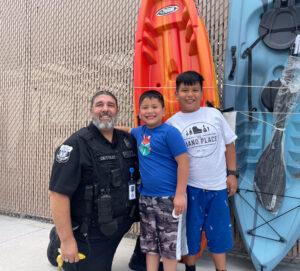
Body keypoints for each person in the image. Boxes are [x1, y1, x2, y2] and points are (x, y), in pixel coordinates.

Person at [48, 90, 140, 271]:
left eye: (110, 105)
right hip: (93, 231)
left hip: (124, 221)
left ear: (117, 111)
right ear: (91, 111)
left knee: (159, 213)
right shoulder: (76, 144)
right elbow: (57, 194)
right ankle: (59, 240)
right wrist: (67, 241)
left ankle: (141, 260)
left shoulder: (128, 140)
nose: (105, 109)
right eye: (100, 105)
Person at [166, 71, 238, 271]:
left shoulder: (213, 114)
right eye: (185, 90)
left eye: (195, 90)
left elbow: (230, 145)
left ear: (202, 93)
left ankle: (221, 269)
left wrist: (232, 173)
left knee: (219, 234)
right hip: (190, 189)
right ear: (176, 94)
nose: (190, 94)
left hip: (218, 187)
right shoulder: (171, 124)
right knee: (191, 234)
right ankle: (190, 267)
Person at [118, 90, 189, 271]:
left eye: (154, 107)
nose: (150, 111)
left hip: (169, 199)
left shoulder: (170, 133)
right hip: (146, 198)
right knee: (150, 243)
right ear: (139, 112)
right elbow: (127, 130)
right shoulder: (139, 131)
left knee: (169, 246)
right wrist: (105, 128)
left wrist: (180, 195)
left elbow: (184, 163)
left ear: (164, 111)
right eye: (145, 108)